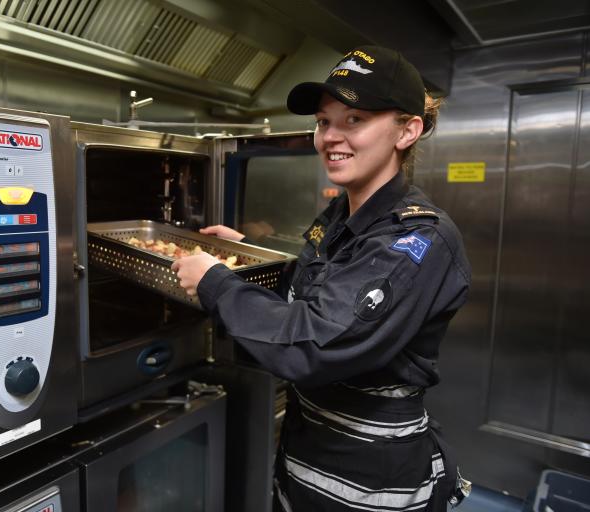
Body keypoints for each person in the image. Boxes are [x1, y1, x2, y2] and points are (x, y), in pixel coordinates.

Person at [172, 45, 471, 511]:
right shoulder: (341, 214)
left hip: (369, 483)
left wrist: (215, 283)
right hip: (306, 459)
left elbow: (316, 342)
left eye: (354, 119)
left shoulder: (416, 239)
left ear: (407, 130)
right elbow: (310, 289)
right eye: (323, 121)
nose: (331, 136)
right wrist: (239, 257)